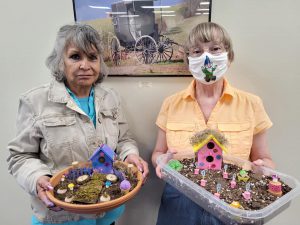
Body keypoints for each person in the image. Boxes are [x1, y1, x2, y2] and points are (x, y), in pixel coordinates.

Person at [7, 23, 149, 225]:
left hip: (108, 209)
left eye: (92, 57)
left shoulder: (110, 98)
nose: (85, 65)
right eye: (75, 57)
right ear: (60, 62)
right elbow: (20, 156)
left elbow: (124, 139)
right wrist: (37, 179)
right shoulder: (35, 101)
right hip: (62, 215)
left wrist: (131, 154)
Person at [151, 22, 274, 225]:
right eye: (197, 51)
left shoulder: (251, 104)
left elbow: (264, 159)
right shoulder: (171, 104)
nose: (205, 57)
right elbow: (157, 153)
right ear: (188, 60)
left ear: (229, 55)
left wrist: (263, 169)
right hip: (180, 201)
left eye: (215, 49)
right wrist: (161, 160)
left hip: (234, 200)